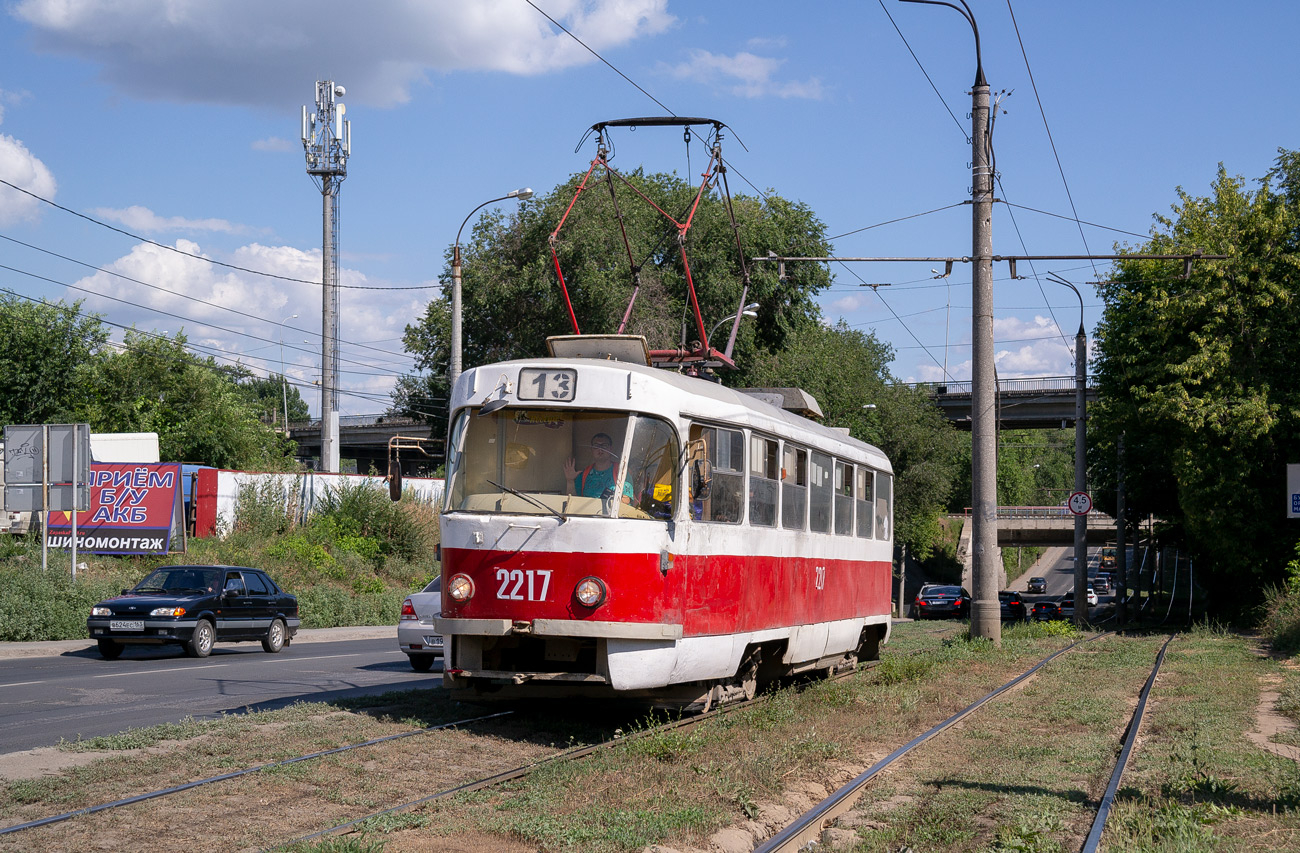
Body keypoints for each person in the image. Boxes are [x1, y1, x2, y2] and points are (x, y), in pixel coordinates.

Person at [564, 433, 633, 503]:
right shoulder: (584, 475)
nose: (600, 449)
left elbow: (626, 500)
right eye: (596, 446)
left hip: (611, 513)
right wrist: (570, 481)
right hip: (587, 513)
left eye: (604, 446)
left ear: (611, 449)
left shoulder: (621, 472)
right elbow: (572, 502)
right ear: (591, 449)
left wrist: (609, 499)